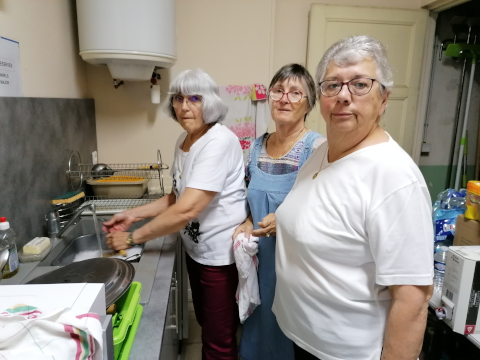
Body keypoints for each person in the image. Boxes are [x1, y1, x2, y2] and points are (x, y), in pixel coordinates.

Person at [273, 36, 434, 360]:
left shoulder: (394, 178)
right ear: (321, 97)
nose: (343, 96)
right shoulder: (321, 153)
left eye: (360, 84)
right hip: (304, 339)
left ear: (384, 98)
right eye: (333, 85)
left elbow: (413, 301)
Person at [103, 69, 247, 360]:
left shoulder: (218, 142)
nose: (184, 106)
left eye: (194, 98)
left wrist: (132, 237)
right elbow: (176, 196)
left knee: (219, 340)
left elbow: (188, 208)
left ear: (209, 103)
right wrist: (134, 215)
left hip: (219, 257)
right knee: (208, 323)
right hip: (196, 249)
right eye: (179, 98)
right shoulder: (185, 140)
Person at [233, 63, 324, 360]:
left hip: (295, 265)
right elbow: (251, 196)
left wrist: (283, 219)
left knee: (288, 334)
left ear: (309, 102)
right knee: (257, 328)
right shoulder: (257, 147)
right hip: (260, 262)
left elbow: (322, 208)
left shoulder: (317, 148)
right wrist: (247, 220)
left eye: (295, 93)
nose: (285, 99)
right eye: (278, 91)